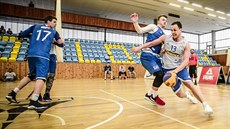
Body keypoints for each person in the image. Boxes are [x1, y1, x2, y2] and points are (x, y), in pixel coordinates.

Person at [131, 21, 213, 115]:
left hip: (179, 68)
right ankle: (187, 96)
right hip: (167, 70)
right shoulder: (166, 38)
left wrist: (176, 71)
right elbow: (151, 43)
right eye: (171, 30)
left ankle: (205, 104)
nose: (173, 32)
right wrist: (139, 48)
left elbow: (186, 61)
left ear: (180, 30)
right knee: (180, 95)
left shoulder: (186, 44)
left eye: (175, 30)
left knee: (190, 84)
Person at [6, 16, 64, 109]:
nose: (55, 24)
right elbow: (61, 44)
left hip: (31, 54)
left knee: (31, 75)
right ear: (48, 22)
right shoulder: (53, 32)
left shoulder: (35, 27)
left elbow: (22, 34)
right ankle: (34, 101)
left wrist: (32, 36)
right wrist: (56, 42)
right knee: (41, 77)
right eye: (54, 22)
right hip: (43, 55)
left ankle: (12, 93)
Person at [130, 13, 167, 106]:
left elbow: (158, 50)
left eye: (166, 21)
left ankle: (150, 94)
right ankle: (153, 95)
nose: (165, 22)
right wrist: (135, 22)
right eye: (163, 20)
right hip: (147, 55)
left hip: (155, 57)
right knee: (159, 74)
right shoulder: (153, 27)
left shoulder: (164, 35)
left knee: (163, 75)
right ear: (158, 21)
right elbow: (140, 31)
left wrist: (162, 51)